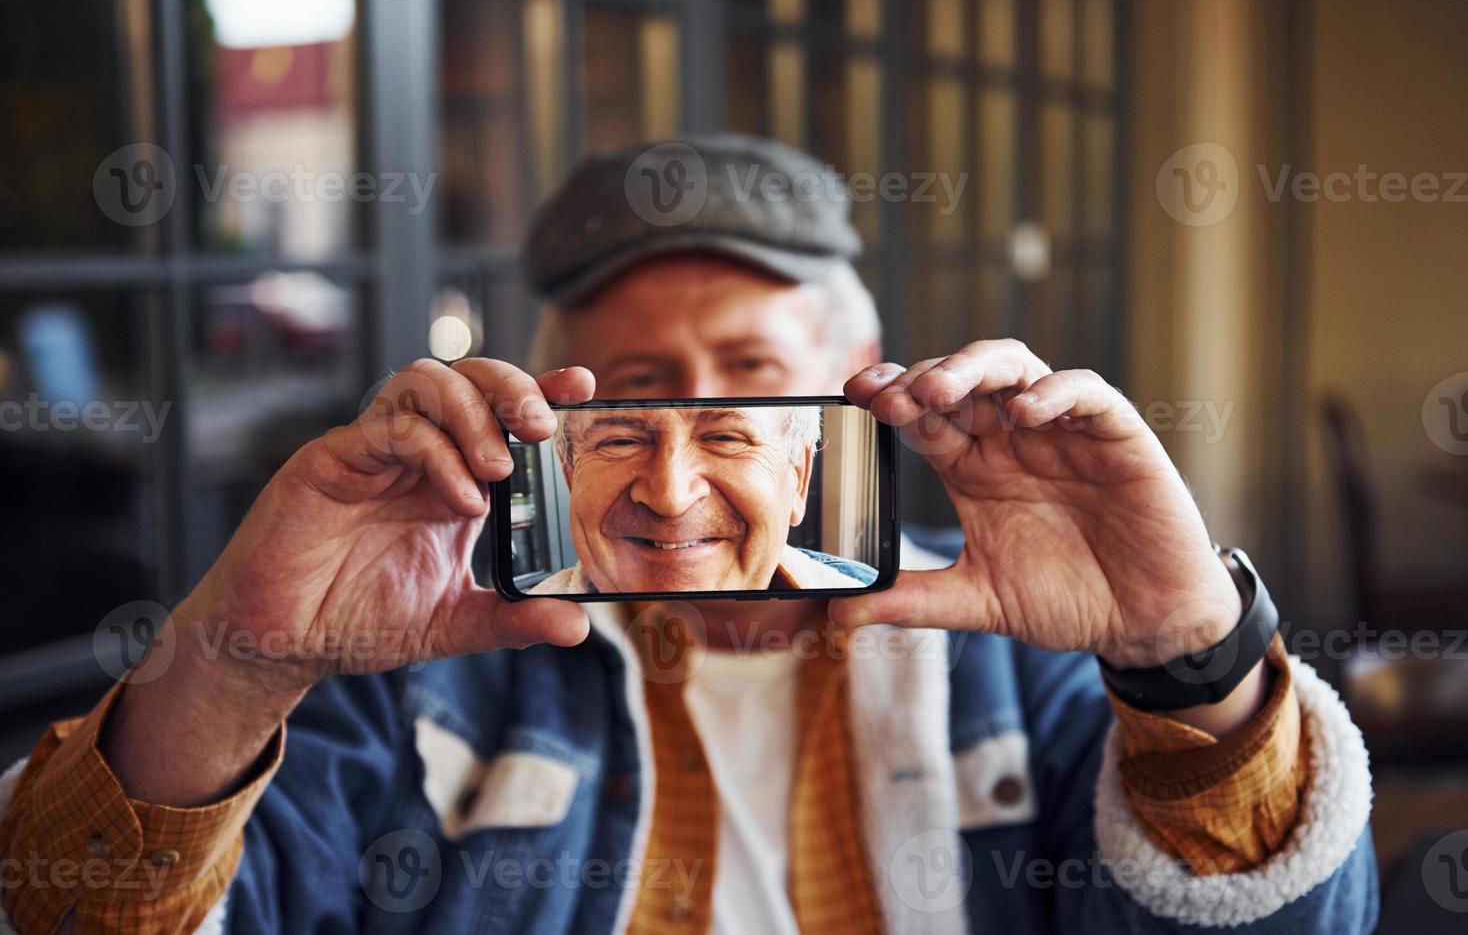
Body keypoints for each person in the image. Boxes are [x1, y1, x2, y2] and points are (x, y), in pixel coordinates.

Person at [0, 134, 1374, 935]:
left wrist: (1189, 653)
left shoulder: (1033, 654)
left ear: (862, 382)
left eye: (750, 390)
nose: (668, 481)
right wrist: (235, 660)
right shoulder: (415, 668)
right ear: (554, 406)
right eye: (634, 396)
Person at [529, 404, 875, 595]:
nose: (670, 498)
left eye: (725, 437)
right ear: (571, 475)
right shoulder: (499, 655)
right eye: (620, 442)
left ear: (797, 478)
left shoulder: (891, 632)